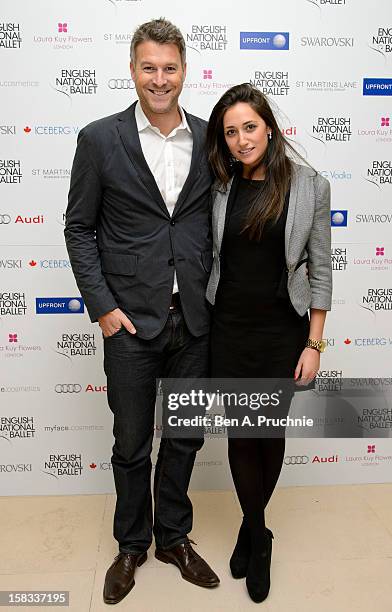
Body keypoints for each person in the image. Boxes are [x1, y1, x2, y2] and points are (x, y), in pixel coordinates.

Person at [65, 18, 219, 606]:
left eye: (170, 67)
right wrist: (102, 308)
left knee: (183, 438)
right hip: (129, 322)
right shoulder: (99, 139)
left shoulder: (209, 139)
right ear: (132, 70)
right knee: (131, 442)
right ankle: (131, 543)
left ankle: (173, 539)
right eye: (149, 67)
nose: (160, 79)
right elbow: (79, 228)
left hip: (195, 322)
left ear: (186, 72)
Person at [206, 83, 332, 603]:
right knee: (241, 436)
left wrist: (314, 343)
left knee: (268, 437)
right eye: (230, 131)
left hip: (283, 331)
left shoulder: (311, 186)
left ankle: (252, 533)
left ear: (270, 128)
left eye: (249, 127)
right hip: (228, 330)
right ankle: (259, 534)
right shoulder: (218, 186)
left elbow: (321, 270)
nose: (240, 140)